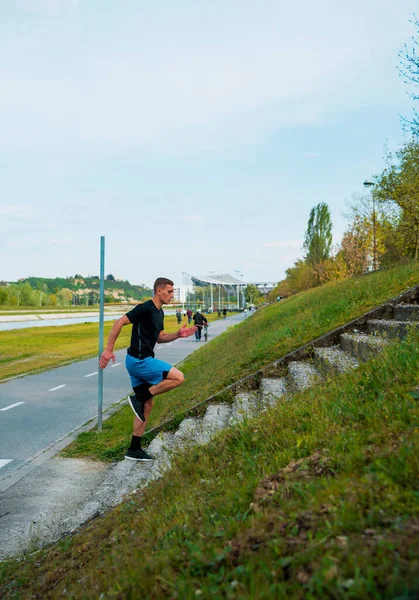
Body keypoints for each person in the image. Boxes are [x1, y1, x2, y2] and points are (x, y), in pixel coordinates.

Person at [99, 277, 196, 462]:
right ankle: (138, 397)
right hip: (140, 360)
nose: (171, 295)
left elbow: (160, 337)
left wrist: (178, 334)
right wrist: (109, 349)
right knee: (178, 377)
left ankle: (134, 448)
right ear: (158, 291)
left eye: (172, 292)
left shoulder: (159, 313)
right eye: (169, 291)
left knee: (147, 406)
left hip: (140, 360)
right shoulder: (145, 308)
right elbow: (119, 322)